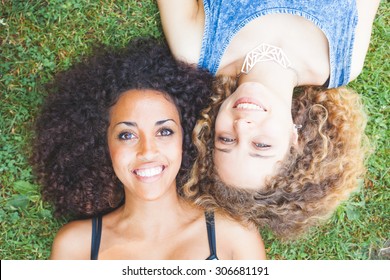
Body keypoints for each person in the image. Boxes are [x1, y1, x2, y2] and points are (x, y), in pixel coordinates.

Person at [157, 0, 378, 237]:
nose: (241, 126)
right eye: (261, 145)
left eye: (226, 139)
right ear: (296, 139)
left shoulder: (195, 47)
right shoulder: (344, 59)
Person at [31, 37, 266, 259]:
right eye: (127, 135)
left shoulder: (235, 236)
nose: (147, 151)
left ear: (187, 139)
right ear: (101, 144)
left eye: (164, 131)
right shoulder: (75, 247)